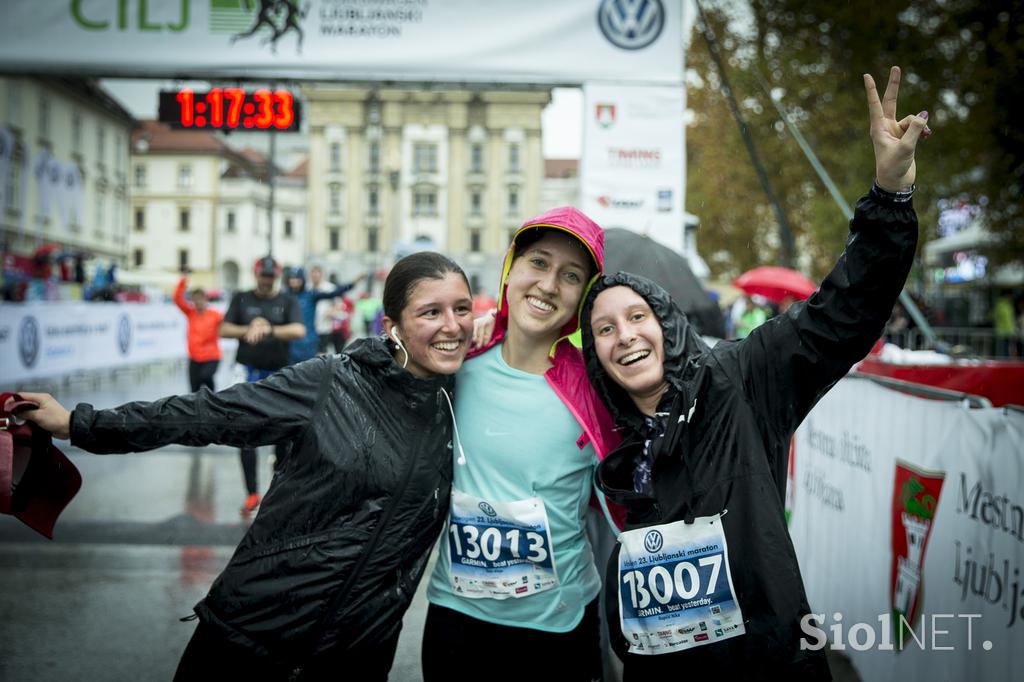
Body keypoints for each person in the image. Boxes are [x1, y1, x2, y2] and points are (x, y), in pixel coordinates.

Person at [578, 66, 927, 679]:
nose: (624, 336)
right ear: (595, 352)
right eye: (604, 329)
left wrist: (889, 199)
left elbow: (842, 313)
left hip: (768, 664)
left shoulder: (740, 377)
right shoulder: (613, 435)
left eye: (636, 316)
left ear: (666, 322)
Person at [7, 252, 476, 681]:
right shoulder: (331, 382)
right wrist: (78, 423)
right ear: (392, 325)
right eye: (431, 312)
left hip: (355, 659)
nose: (452, 325)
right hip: (251, 638)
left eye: (461, 308)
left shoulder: (465, 399)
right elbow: (206, 414)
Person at [422, 207, 622, 682]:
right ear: (510, 268)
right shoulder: (455, 363)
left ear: (583, 298)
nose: (549, 285)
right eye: (538, 263)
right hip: (455, 623)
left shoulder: (599, 388)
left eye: (570, 275)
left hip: (558, 631)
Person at [220, 256, 305, 514]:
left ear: (276, 276)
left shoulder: (286, 301)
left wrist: (268, 329)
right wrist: (250, 327)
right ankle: (252, 493)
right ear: (255, 274)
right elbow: (223, 329)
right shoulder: (241, 298)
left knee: (282, 434)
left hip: (277, 374)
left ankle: (276, 494)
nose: (267, 281)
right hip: (246, 372)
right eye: (263, 276)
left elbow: (299, 330)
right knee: (246, 432)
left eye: (271, 276)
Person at [285, 264, 366, 363]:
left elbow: (335, 292)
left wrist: (354, 282)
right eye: (292, 278)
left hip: (310, 340)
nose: (294, 281)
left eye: (297, 278)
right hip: (290, 343)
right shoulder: (285, 295)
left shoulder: (310, 294)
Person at [173, 270, 224, 394]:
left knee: (205, 377)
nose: (198, 302)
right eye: (195, 299)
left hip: (212, 356)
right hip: (195, 357)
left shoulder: (215, 315)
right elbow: (177, 299)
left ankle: (213, 399)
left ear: (206, 299)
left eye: (200, 299)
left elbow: (228, 325)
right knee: (193, 389)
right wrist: (184, 280)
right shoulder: (190, 313)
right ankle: (195, 410)